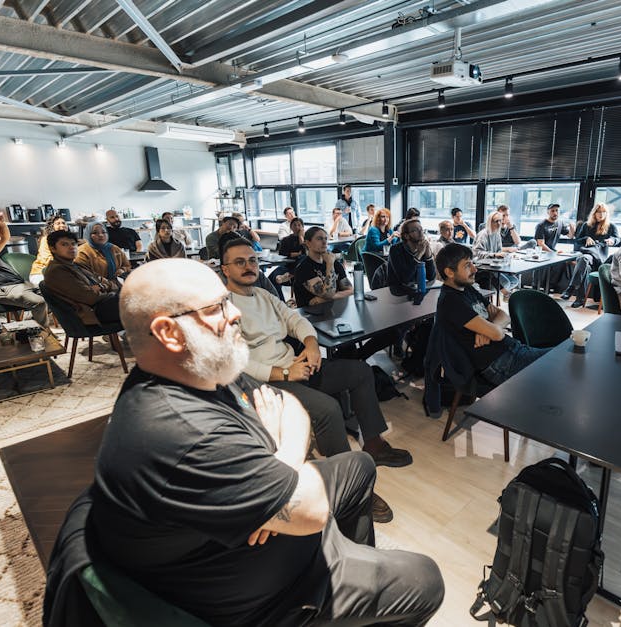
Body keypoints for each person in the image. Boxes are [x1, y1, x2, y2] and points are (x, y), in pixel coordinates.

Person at [86, 258, 444, 626]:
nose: (235, 314)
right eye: (217, 308)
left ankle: (353, 579)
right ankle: (335, 590)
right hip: (256, 592)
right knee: (424, 579)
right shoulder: (178, 431)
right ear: (168, 332)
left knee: (360, 466)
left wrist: (277, 471)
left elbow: (288, 405)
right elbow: (310, 512)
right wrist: (286, 459)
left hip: (272, 532)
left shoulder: (204, 369)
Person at [221, 240, 413, 515]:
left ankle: (373, 444)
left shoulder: (263, 295)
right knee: (328, 409)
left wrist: (311, 345)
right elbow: (237, 360)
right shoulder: (223, 308)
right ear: (225, 269)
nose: (249, 267)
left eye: (252, 260)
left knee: (359, 372)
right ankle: (350, 486)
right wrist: (285, 372)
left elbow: (296, 320)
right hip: (265, 383)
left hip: (294, 365)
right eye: (240, 262)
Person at [435, 243, 550, 386]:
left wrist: (489, 329)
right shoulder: (451, 301)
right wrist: (492, 330)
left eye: (472, 263)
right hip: (500, 364)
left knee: (567, 355)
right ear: (449, 272)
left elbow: (503, 316)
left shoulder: (466, 289)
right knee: (563, 359)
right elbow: (497, 334)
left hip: (513, 350)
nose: (475, 269)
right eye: (467, 266)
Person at [42, 230, 120, 324]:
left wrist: (101, 287)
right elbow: (90, 297)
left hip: (104, 302)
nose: (71, 247)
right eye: (64, 244)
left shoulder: (77, 265)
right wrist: (104, 287)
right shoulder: (57, 271)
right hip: (93, 312)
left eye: (74, 244)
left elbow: (104, 282)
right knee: (135, 301)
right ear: (53, 248)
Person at [561, 203, 620, 308]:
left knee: (582, 260)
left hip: (600, 258)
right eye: (599, 212)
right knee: (584, 261)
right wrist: (586, 238)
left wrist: (612, 240)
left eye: (603, 212)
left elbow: (617, 239)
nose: (601, 214)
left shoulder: (611, 226)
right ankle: (579, 299)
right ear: (594, 213)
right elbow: (577, 241)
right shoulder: (586, 225)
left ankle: (572, 289)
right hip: (588, 255)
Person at [293, 227, 354, 307]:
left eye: (326, 239)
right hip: (311, 315)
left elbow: (351, 291)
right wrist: (329, 264)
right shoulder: (304, 269)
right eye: (319, 239)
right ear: (308, 243)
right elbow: (328, 294)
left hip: (335, 310)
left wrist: (322, 299)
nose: (324, 242)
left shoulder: (335, 264)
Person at [381, 217, 436, 296]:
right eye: (415, 230)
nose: (421, 232)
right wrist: (419, 255)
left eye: (421, 229)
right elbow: (405, 279)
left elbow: (431, 277)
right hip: (398, 294)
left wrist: (428, 255)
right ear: (406, 236)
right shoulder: (396, 250)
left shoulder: (422, 248)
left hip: (416, 291)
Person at [473, 211, 520, 299]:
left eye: (500, 220)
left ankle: (504, 294)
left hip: (493, 266)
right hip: (482, 267)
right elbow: (477, 253)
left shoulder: (497, 234)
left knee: (514, 280)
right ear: (490, 222)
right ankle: (505, 294)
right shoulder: (483, 235)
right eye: (496, 221)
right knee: (506, 283)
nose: (499, 223)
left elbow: (499, 250)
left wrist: (505, 256)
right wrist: (494, 255)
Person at [270, 217, 306, 297]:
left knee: (303, 258)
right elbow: (281, 252)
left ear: (302, 227)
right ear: (291, 227)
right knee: (271, 279)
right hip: (287, 265)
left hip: (301, 267)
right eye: (294, 225)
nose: (297, 227)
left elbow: (306, 253)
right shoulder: (286, 239)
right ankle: (281, 302)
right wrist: (291, 254)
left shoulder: (307, 239)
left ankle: (290, 274)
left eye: (299, 225)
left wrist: (301, 237)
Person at [29, 214, 69, 285]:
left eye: (63, 223)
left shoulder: (68, 241)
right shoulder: (46, 239)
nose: (62, 225)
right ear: (52, 227)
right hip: (40, 273)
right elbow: (46, 259)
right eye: (58, 223)